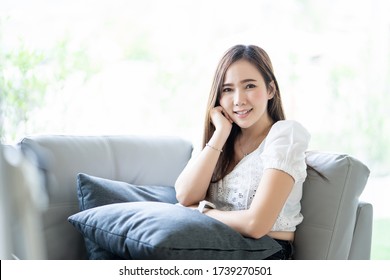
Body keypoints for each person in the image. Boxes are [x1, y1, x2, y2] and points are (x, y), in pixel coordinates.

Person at [174, 44, 310, 260]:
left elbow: (256, 225)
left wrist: (203, 212)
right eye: (227, 89)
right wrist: (220, 134)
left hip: (266, 253)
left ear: (270, 90)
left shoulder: (285, 135)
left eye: (249, 86)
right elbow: (185, 196)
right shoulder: (220, 140)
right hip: (214, 246)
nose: (238, 100)